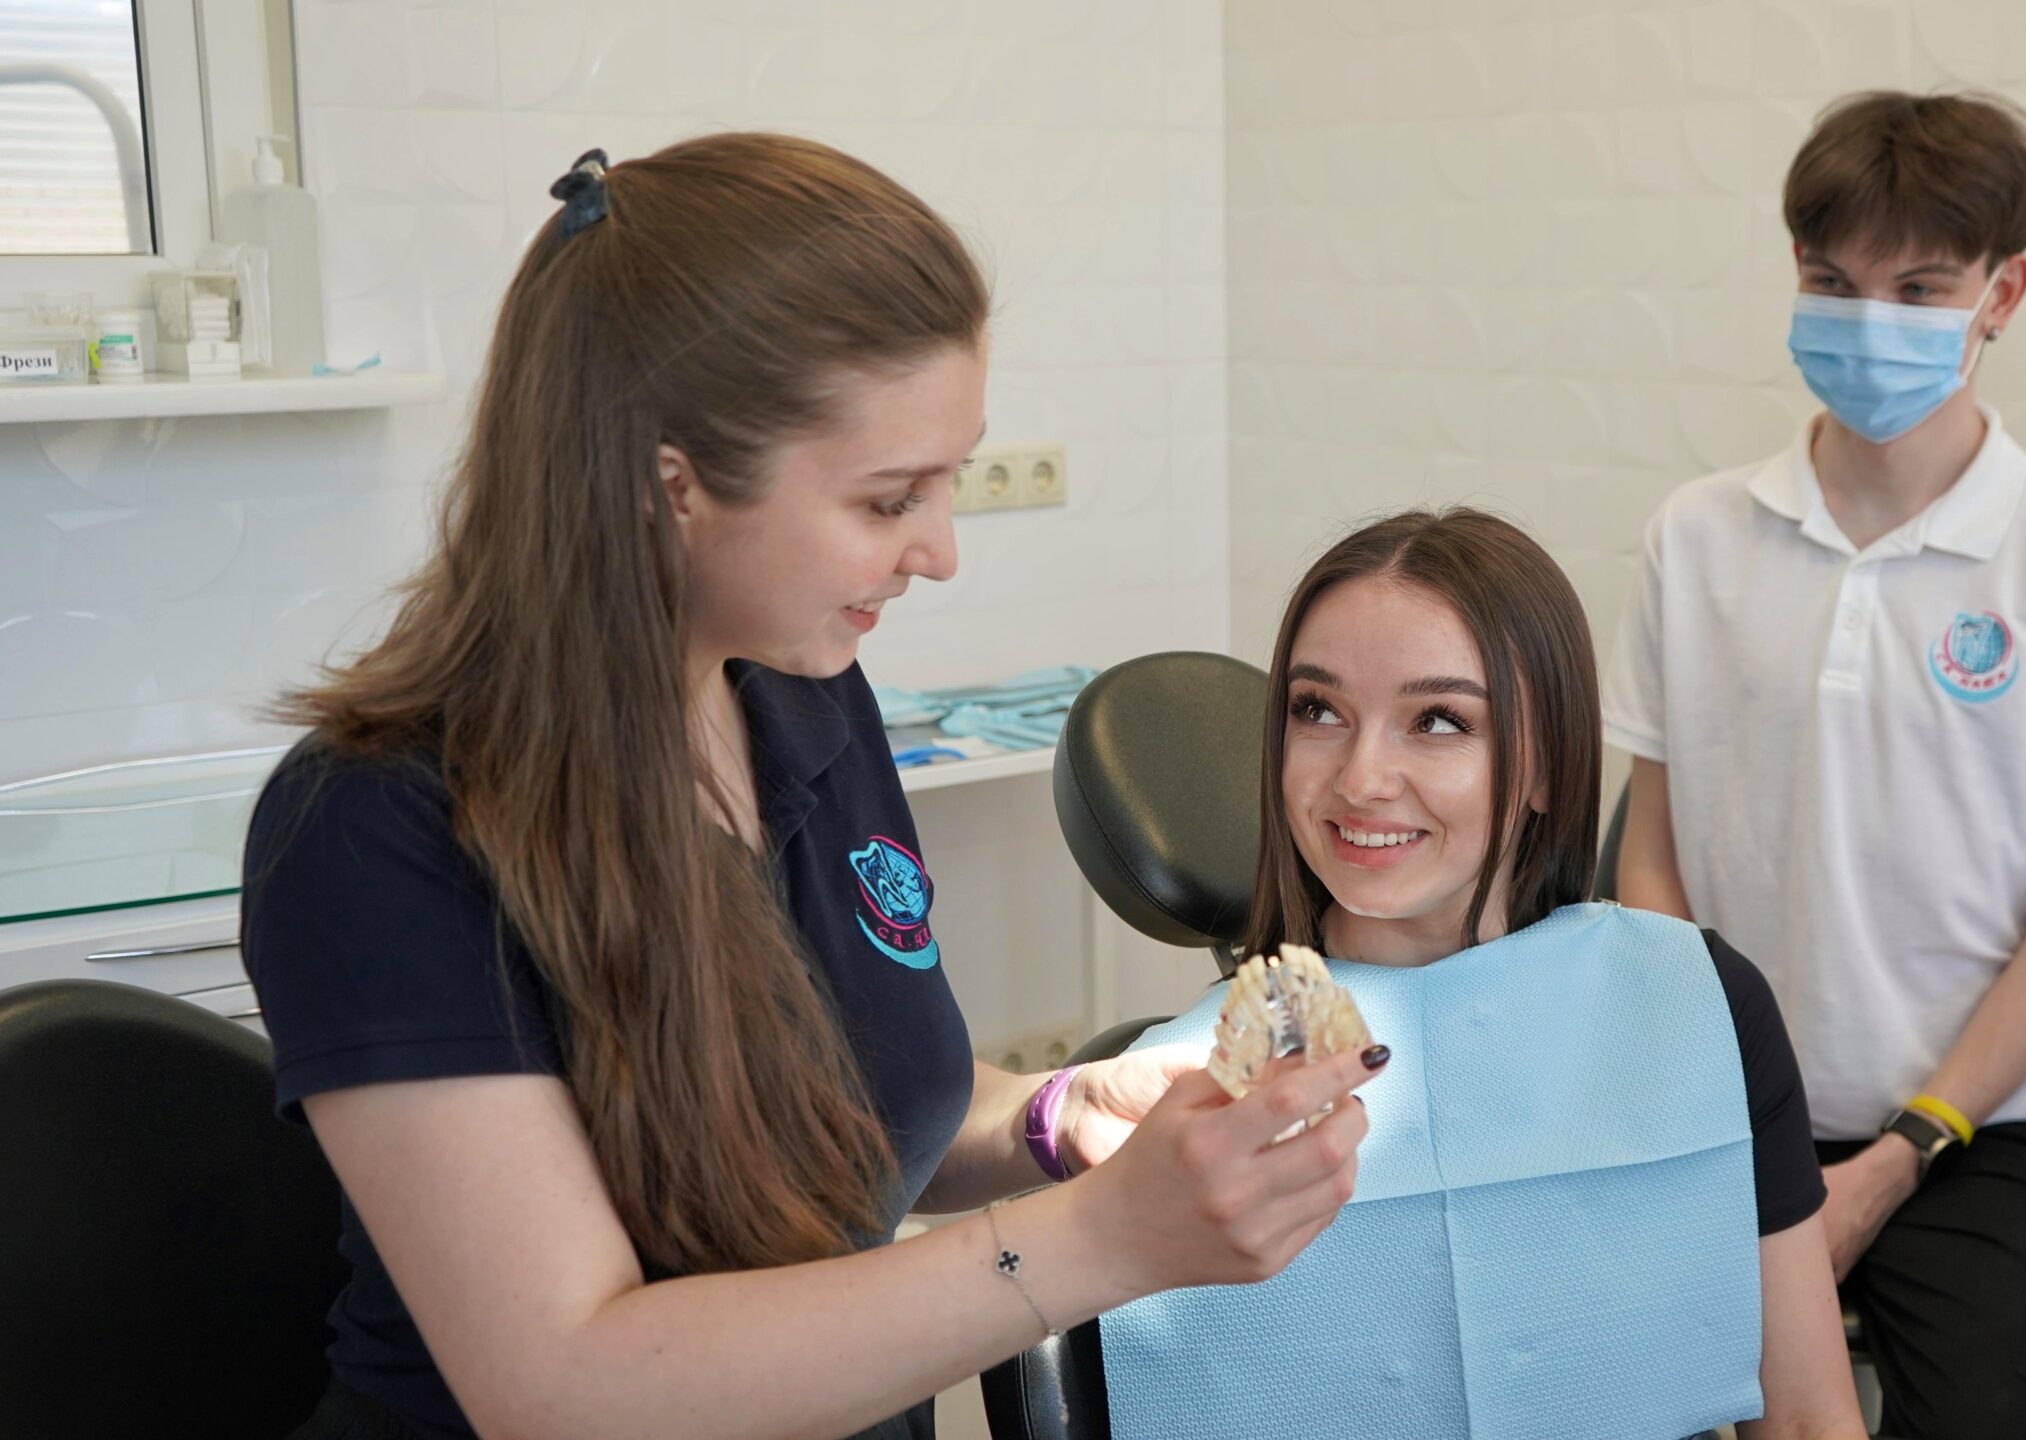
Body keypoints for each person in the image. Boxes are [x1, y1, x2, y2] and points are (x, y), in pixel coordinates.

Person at [242, 132, 1381, 1440]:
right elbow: (565, 1384)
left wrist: (1061, 1118)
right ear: (669, 484)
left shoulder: (802, 704)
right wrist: (1098, 1239)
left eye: (950, 482)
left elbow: (862, 1123)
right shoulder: (381, 827)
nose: (940, 551)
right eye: (891, 499)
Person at [1606, 91, 2026, 1440]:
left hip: (1977, 1136)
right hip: (1728, 1111)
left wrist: (1898, 1154)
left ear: (2001, 292)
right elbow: (1650, 858)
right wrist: (1705, 1110)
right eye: (1831, 282)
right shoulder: (1697, 537)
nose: (1869, 322)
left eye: (1918, 289)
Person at [1098, 509, 1865, 1440]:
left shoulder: (1694, 1007)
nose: (1361, 779)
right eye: (1318, 710)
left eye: (1438, 721)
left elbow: (1807, 1420)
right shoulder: (1179, 1091)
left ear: (1544, 766)